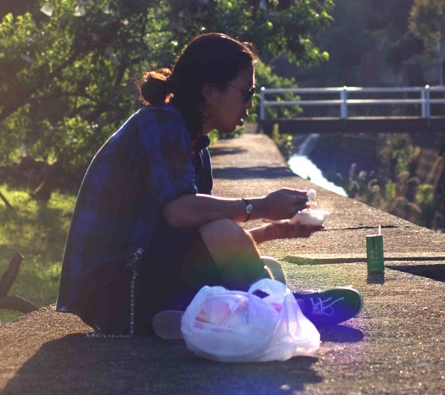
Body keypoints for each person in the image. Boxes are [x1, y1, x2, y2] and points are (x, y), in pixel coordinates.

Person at [57, 32, 362, 336]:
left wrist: (274, 230)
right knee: (232, 242)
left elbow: (203, 244)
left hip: (139, 281)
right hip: (111, 293)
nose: (249, 104)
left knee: (271, 267)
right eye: (246, 92)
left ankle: (196, 316)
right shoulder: (160, 123)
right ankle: (281, 311)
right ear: (210, 91)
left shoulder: (196, 149)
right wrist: (263, 206)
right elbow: (181, 213)